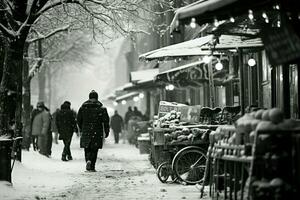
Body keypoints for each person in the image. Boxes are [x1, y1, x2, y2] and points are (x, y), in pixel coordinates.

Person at [77, 90, 110, 172]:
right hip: (97, 130)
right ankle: (92, 165)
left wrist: (82, 128)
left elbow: (78, 120)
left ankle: (88, 160)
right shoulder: (101, 108)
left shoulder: (83, 108)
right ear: (97, 97)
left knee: (87, 147)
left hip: (86, 130)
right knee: (94, 149)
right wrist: (106, 130)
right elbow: (106, 121)